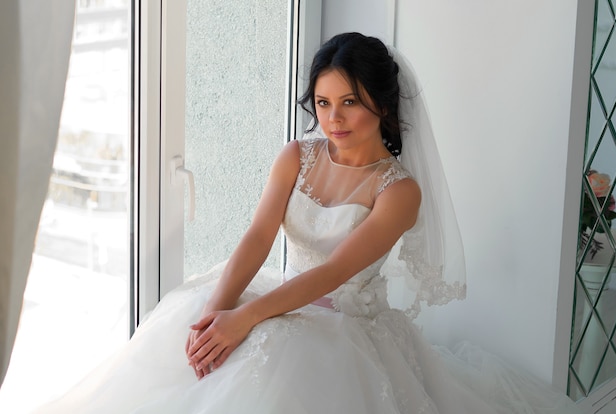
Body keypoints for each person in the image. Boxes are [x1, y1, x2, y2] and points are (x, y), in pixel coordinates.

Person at [34, 32, 579, 413]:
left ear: (384, 108)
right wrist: (216, 311)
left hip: (345, 325)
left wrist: (246, 319)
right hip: (273, 293)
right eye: (322, 102)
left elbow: (335, 272)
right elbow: (257, 236)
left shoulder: (400, 192)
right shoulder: (297, 156)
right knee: (183, 346)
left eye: (350, 102)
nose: (333, 118)